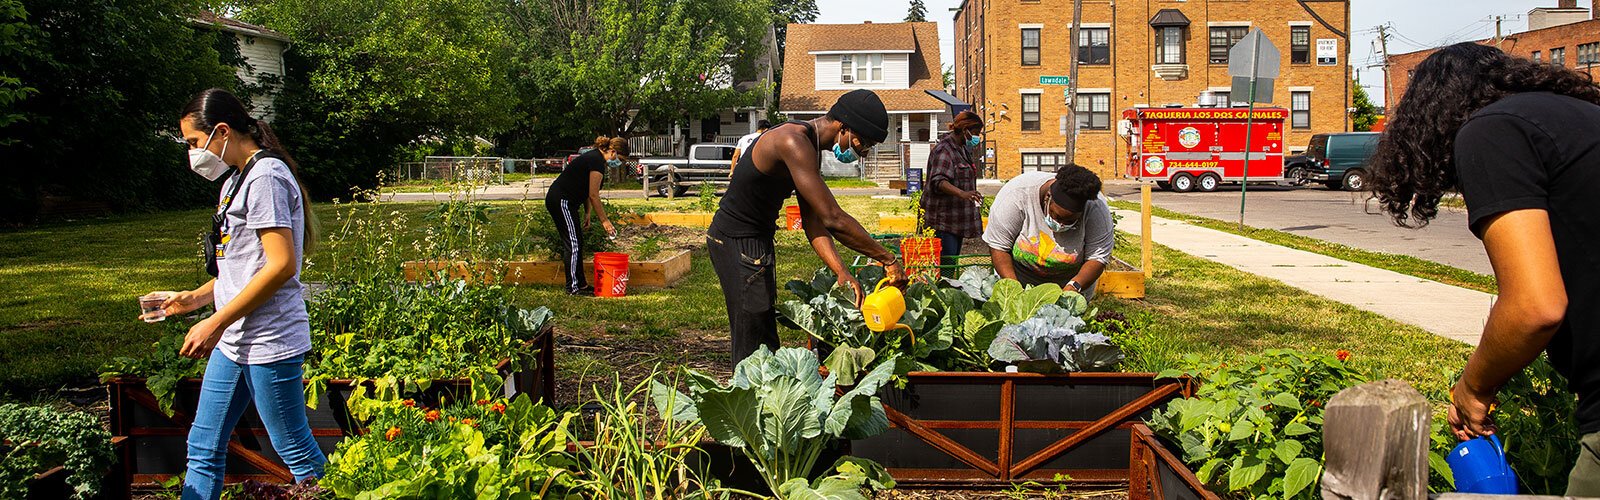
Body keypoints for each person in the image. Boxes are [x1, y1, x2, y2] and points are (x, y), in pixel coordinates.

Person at [1367, 42, 1600, 495]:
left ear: (1429, 116)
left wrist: (1473, 388)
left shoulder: (1492, 130)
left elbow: (1536, 306)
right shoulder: (1579, 119)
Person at [141, 88, 325, 499]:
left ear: (221, 131)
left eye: (193, 142)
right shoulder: (234, 182)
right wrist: (196, 299)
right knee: (203, 447)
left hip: (269, 341)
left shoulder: (267, 178)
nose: (192, 153)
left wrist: (215, 321)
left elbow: (280, 266)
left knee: (295, 450)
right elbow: (242, 266)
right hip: (235, 340)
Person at [711, 89, 907, 367]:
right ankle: (744, 401)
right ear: (844, 127)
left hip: (755, 240)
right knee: (752, 335)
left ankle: (762, 396)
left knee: (763, 325)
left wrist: (841, 271)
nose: (862, 154)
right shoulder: (793, 142)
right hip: (736, 240)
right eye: (863, 145)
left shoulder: (809, 148)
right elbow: (833, 218)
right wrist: (887, 258)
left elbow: (814, 222)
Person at [981, 164, 1113, 297]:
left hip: (1069, 284)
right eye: (1057, 216)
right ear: (1047, 197)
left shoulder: (1096, 209)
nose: (1061, 225)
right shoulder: (1016, 196)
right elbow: (999, 247)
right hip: (1019, 278)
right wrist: (1014, 291)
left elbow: (1098, 257)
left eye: (1069, 221)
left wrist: (1074, 286)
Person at [545, 136, 626, 296]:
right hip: (561, 200)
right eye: (620, 158)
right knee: (573, 244)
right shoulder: (596, 161)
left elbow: (586, 191)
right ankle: (573, 288)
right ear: (613, 151)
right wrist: (605, 220)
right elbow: (594, 194)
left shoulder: (596, 159)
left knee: (577, 241)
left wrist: (587, 213)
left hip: (569, 202)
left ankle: (581, 285)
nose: (619, 162)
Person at [920, 111, 986, 275]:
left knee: (951, 265)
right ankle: (942, 296)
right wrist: (963, 194)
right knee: (946, 268)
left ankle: (947, 292)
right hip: (943, 221)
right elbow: (939, 181)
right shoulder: (945, 150)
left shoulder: (961, 149)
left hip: (956, 220)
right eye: (976, 133)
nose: (977, 138)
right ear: (966, 131)